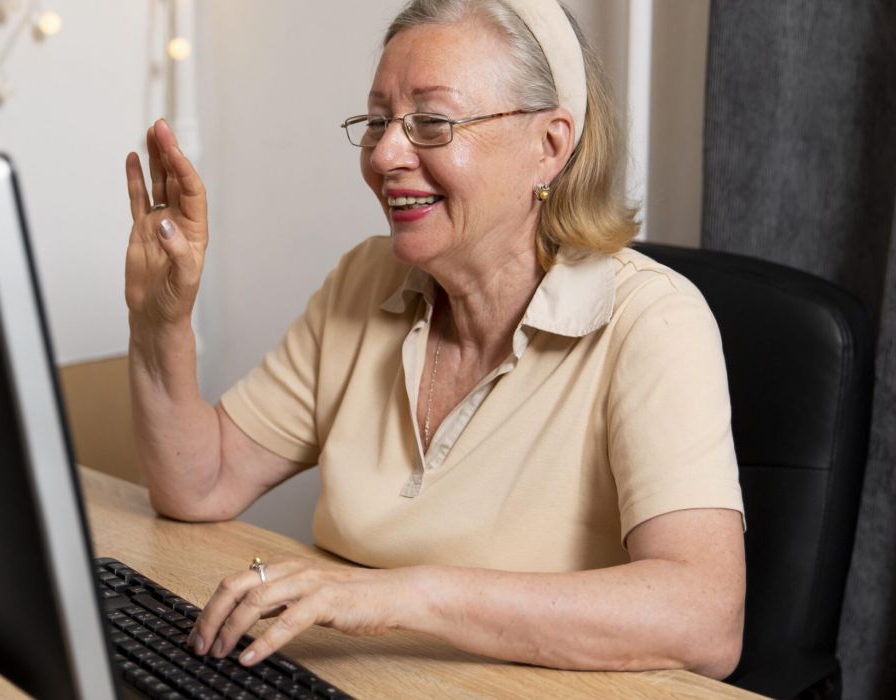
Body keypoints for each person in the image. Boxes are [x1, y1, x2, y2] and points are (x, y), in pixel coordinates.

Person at [121, 0, 746, 679]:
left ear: (551, 145)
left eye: (431, 123)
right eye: (380, 122)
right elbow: (200, 485)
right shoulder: (366, 279)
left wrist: (404, 593)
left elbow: (705, 617)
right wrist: (161, 322)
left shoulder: (653, 320)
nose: (387, 154)